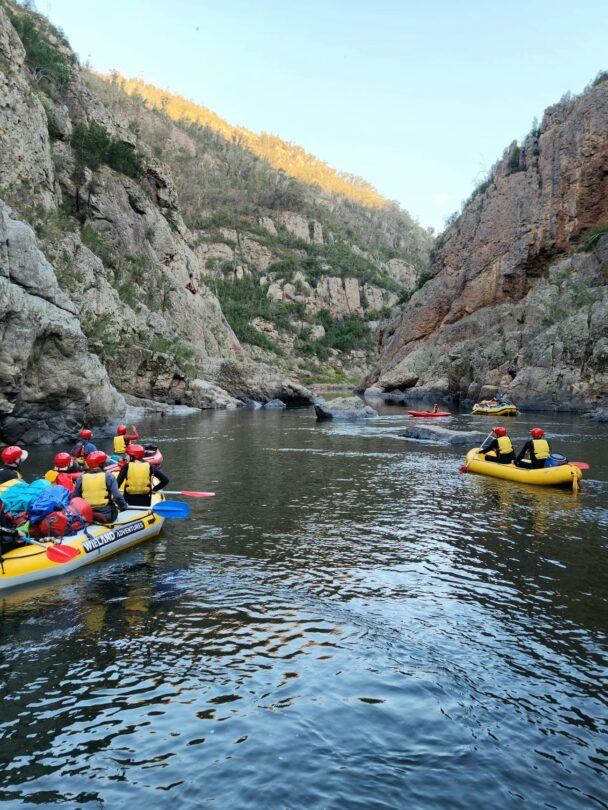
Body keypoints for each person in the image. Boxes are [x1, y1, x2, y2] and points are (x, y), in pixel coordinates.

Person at [72, 451, 128, 523]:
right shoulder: (109, 476)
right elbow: (117, 496)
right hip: (107, 515)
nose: (105, 464)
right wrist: (124, 508)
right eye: (104, 463)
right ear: (101, 464)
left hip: (88, 515)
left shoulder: (81, 478)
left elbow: (76, 499)